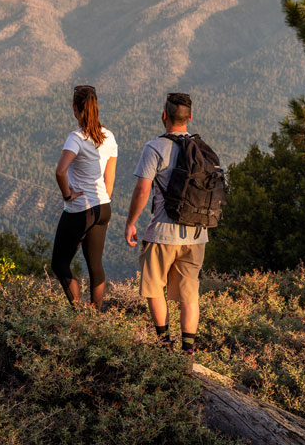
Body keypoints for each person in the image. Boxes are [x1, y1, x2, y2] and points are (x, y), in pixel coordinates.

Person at [124, 92, 204, 355]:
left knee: (153, 286)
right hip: (197, 235)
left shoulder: (155, 147)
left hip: (162, 232)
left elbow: (142, 190)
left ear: (164, 116)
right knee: (189, 294)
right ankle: (188, 351)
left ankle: (164, 345)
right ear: (190, 117)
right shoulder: (202, 149)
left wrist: (131, 222)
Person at [51, 85, 118, 310]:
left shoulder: (76, 138)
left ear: (75, 109)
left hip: (80, 209)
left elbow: (60, 172)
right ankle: (95, 319)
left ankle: (79, 315)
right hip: (103, 207)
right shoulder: (109, 136)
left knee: (59, 264)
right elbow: (110, 178)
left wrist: (68, 195)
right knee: (95, 266)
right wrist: (102, 199)